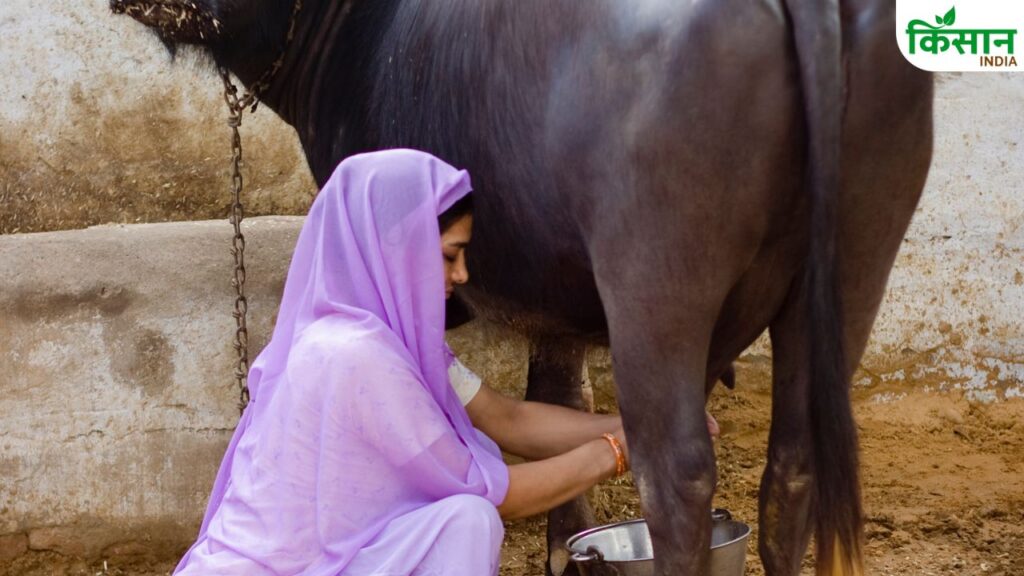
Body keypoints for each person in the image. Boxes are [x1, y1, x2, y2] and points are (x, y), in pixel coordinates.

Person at [173, 149, 712, 576]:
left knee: (460, 520)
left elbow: (507, 420)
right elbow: (496, 493)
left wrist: (652, 425)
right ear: (396, 249)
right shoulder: (354, 356)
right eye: (450, 255)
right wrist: (624, 450)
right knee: (468, 518)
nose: (461, 276)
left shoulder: (393, 343)